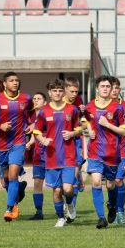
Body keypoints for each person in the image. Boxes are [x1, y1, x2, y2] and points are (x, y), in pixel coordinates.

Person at [0, 71, 33, 222]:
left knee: (13, 176)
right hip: (1, 144)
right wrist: (0, 125)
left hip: (18, 142)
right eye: (11, 80)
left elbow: (31, 112)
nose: (15, 82)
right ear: (4, 84)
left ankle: (9, 208)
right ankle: (18, 193)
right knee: (5, 181)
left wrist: (32, 124)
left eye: (17, 80)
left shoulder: (26, 98)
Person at [33, 79, 82, 228]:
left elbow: (79, 128)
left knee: (67, 188)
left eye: (60, 90)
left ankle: (70, 204)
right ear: (50, 93)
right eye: (54, 91)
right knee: (57, 190)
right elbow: (36, 131)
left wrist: (72, 133)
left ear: (63, 92)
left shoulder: (72, 109)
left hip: (69, 155)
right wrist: (43, 139)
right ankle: (61, 217)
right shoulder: (44, 111)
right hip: (52, 156)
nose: (57, 93)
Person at [83, 75, 125, 229]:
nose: (105, 89)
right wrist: (89, 129)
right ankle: (101, 218)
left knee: (110, 185)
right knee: (96, 181)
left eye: (108, 86)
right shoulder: (90, 106)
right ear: (97, 88)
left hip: (112, 153)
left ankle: (113, 206)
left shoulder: (118, 108)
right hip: (95, 151)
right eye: (102, 86)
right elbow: (86, 120)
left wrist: (108, 125)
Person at [110, 77, 125, 225]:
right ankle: (112, 208)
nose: (114, 91)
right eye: (111, 88)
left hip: (123, 149)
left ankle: (120, 211)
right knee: (110, 182)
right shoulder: (102, 106)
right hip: (107, 150)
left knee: (119, 179)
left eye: (116, 88)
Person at [64, 77, 86, 212]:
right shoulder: (58, 103)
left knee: (73, 176)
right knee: (63, 180)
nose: (74, 94)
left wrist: (83, 114)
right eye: (71, 91)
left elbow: (84, 124)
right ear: (65, 89)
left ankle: (71, 207)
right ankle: (79, 177)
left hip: (76, 141)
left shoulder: (79, 102)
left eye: (76, 92)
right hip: (61, 143)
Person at [25, 92, 46, 219]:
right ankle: (39, 212)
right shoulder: (31, 116)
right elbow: (35, 134)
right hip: (38, 154)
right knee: (37, 182)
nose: (36, 100)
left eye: (39, 98)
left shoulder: (49, 114)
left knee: (58, 185)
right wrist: (29, 143)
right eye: (34, 99)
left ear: (45, 102)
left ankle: (64, 209)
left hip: (52, 154)